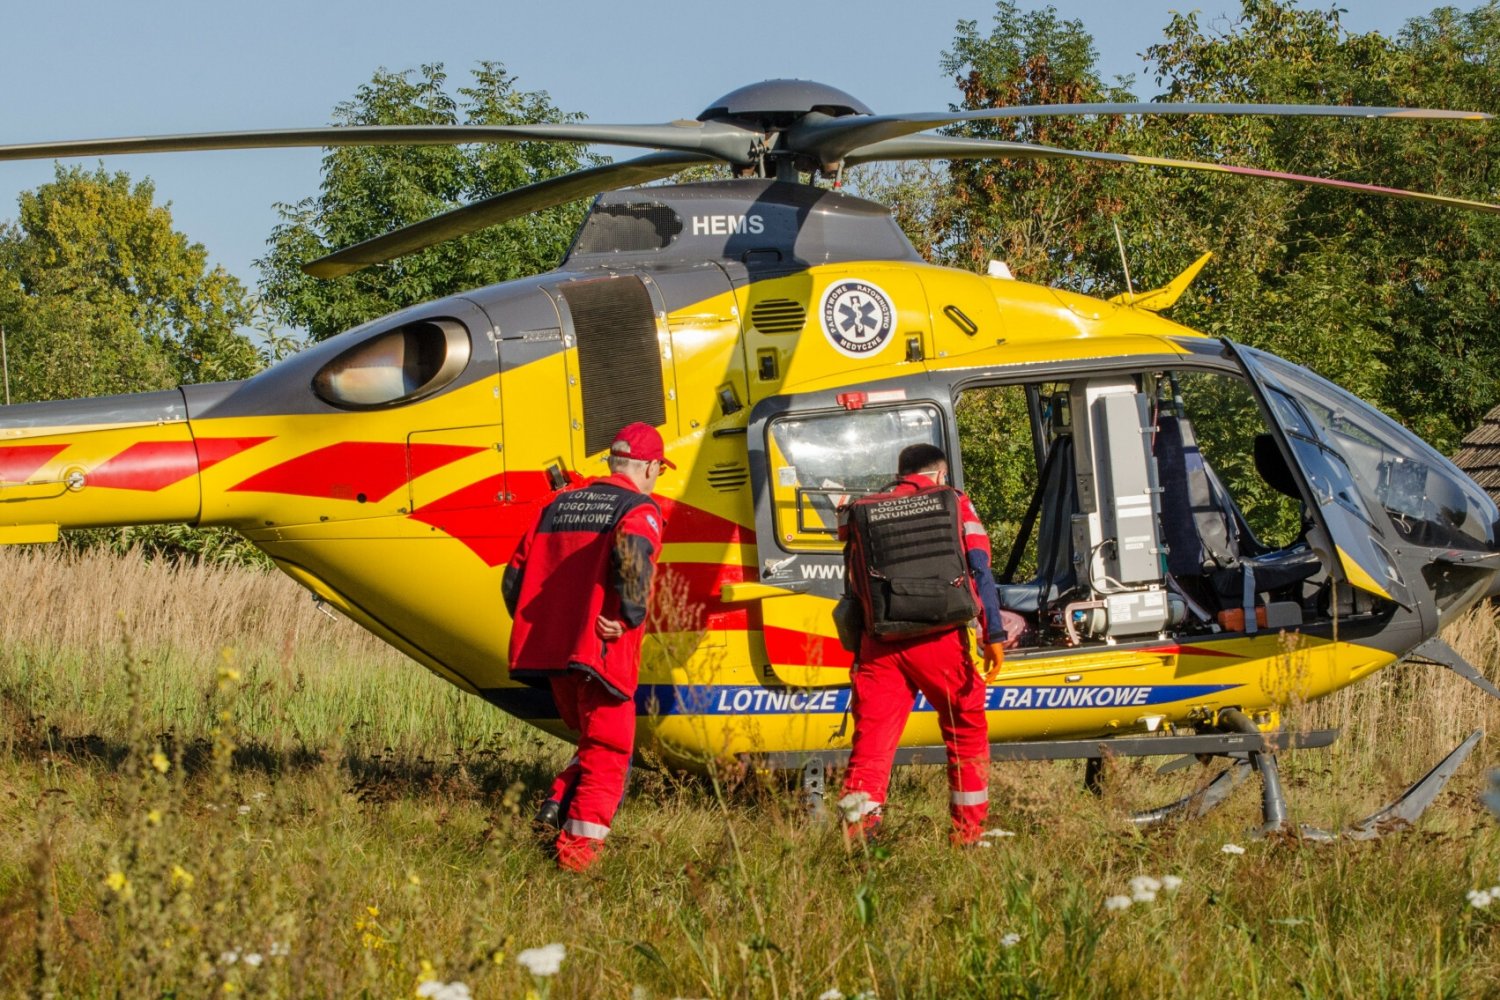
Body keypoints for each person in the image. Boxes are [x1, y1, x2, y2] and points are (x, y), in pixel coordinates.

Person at [501, 421, 670, 872]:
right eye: (659, 470)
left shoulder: (555, 504)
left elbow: (513, 582)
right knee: (610, 754)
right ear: (650, 466)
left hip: (554, 657)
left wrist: (551, 626)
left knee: (592, 743)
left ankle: (555, 804)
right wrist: (628, 617)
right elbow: (634, 558)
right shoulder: (640, 508)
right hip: (601, 651)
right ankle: (576, 859)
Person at [836, 442, 1006, 846]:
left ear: (900, 472)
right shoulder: (954, 502)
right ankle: (968, 835)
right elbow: (979, 567)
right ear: (940, 474)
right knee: (965, 728)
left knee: (872, 742)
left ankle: (858, 836)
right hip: (939, 638)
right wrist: (993, 632)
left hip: (880, 643)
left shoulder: (865, 509)